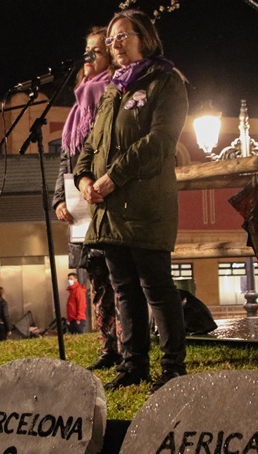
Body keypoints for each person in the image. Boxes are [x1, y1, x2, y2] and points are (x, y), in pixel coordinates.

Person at [75, 9, 189, 393]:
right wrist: (85, 178)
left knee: (156, 286)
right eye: (110, 40)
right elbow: (91, 144)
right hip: (107, 210)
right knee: (124, 289)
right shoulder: (111, 90)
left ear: (145, 37)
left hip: (145, 206)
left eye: (123, 36)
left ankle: (172, 366)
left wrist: (113, 177)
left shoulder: (166, 81)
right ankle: (133, 365)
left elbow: (159, 142)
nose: (115, 45)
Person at [53, 26, 121, 368]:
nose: (89, 57)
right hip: (81, 210)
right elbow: (66, 160)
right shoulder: (78, 105)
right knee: (97, 281)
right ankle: (109, 347)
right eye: (87, 51)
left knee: (120, 278)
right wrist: (59, 201)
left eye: (97, 50)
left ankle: (129, 348)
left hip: (108, 201)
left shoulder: (115, 92)